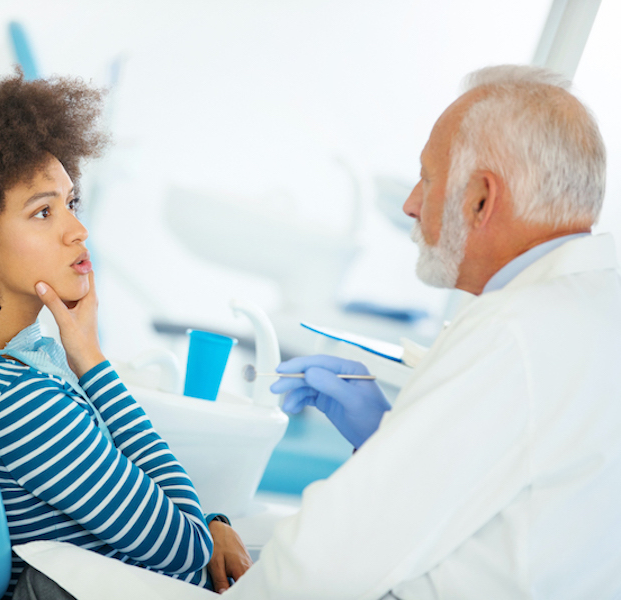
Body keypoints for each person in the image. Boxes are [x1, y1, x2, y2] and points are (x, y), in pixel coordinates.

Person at [231, 64, 621, 598]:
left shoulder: (513, 328)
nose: (411, 203)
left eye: (429, 179)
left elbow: (324, 562)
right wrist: (394, 438)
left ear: (482, 199)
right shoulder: (596, 308)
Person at [0, 73, 251, 599]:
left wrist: (209, 520)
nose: (77, 230)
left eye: (71, 203)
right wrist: (89, 357)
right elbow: (186, 553)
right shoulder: (25, 402)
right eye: (43, 212)